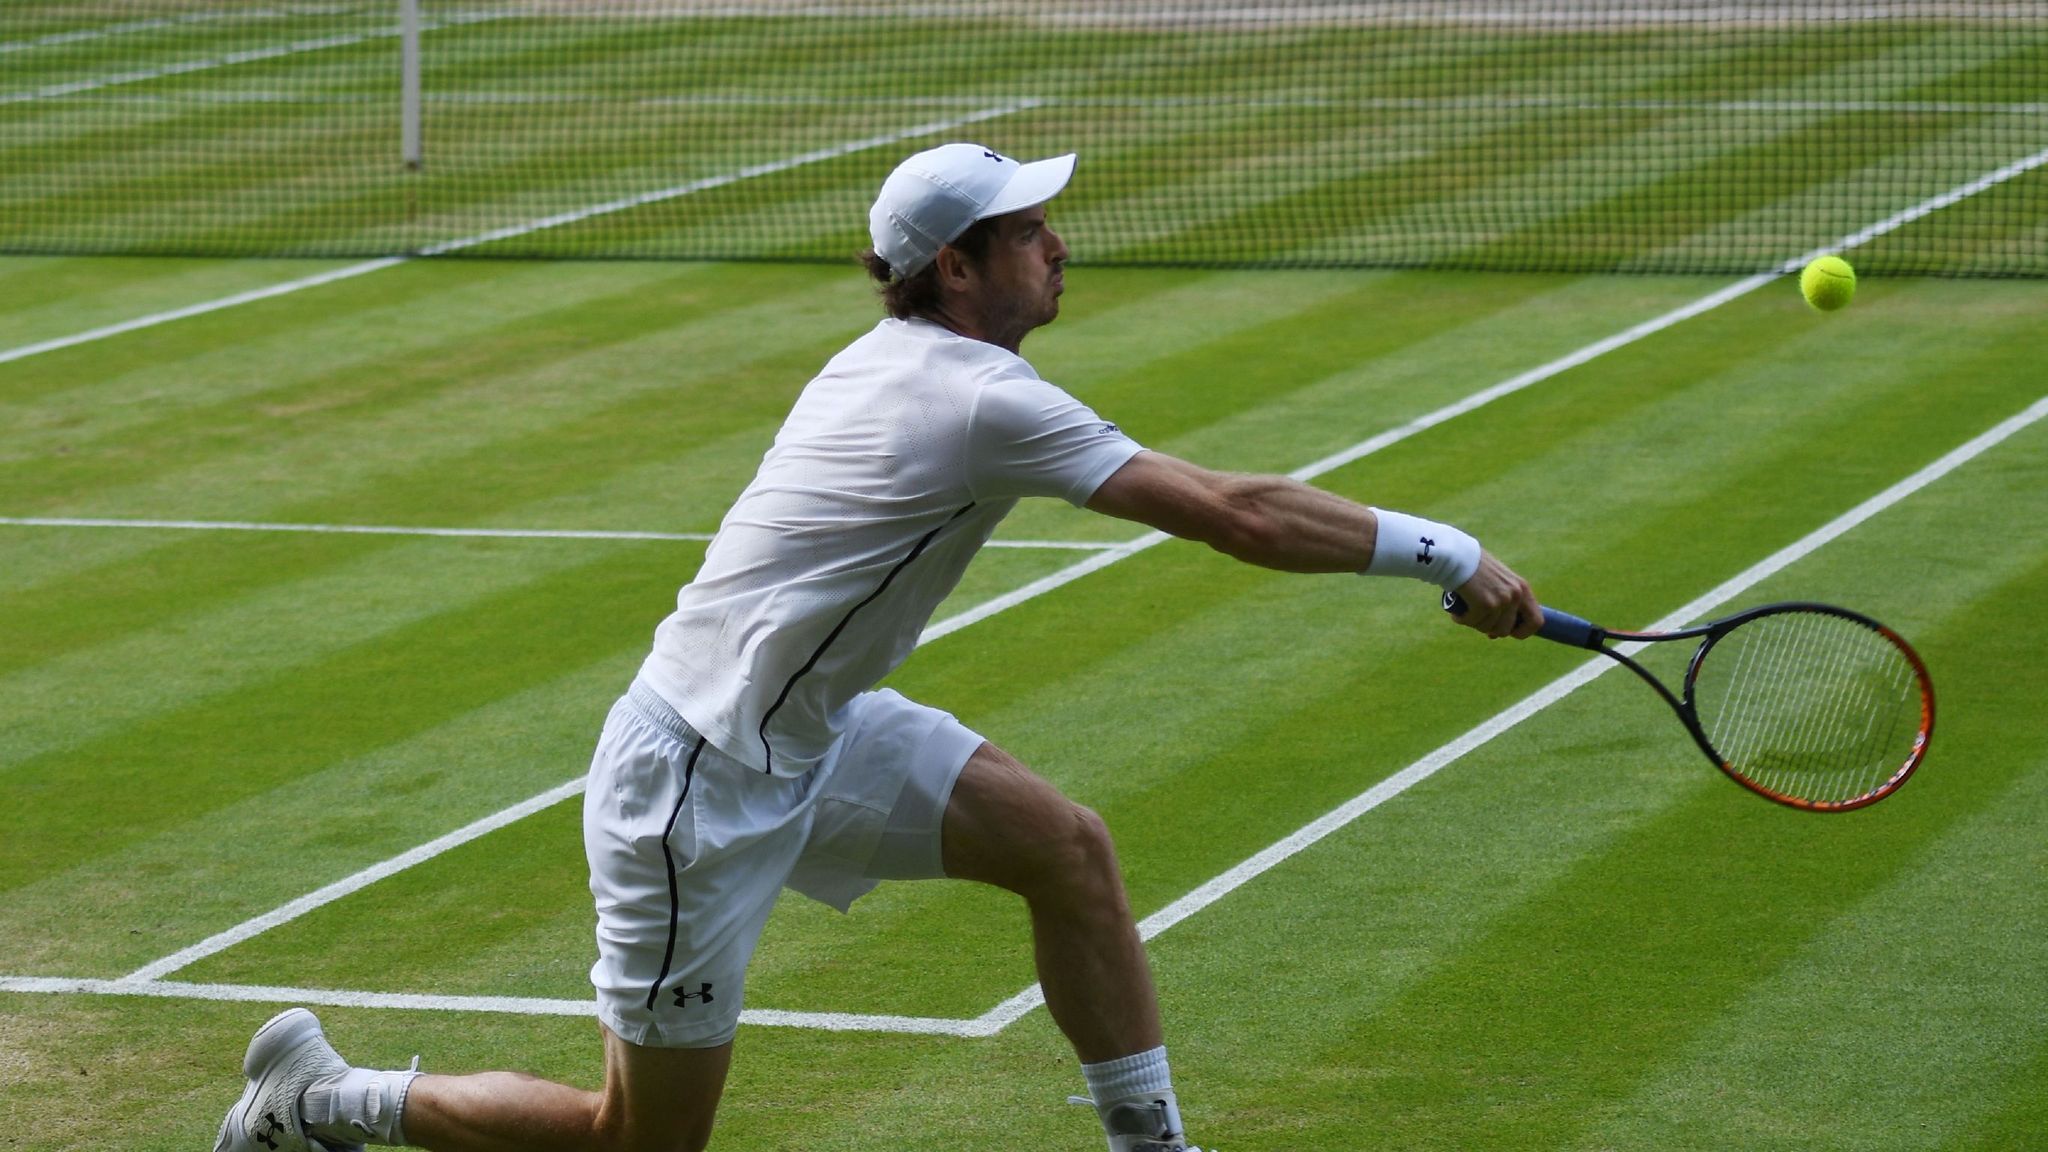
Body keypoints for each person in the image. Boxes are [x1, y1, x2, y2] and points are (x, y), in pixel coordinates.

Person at [213, 143, 1542, 1152]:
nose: (1058, 242)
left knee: (1066, 850)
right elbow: (1236, 516)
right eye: (1025, 230)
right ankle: (327, 1098)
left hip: (810, 731)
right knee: (638, 1139)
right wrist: (1447, 551)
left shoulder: (908, 360)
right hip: (698, 782)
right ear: (955, 269)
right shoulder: (969, 397)